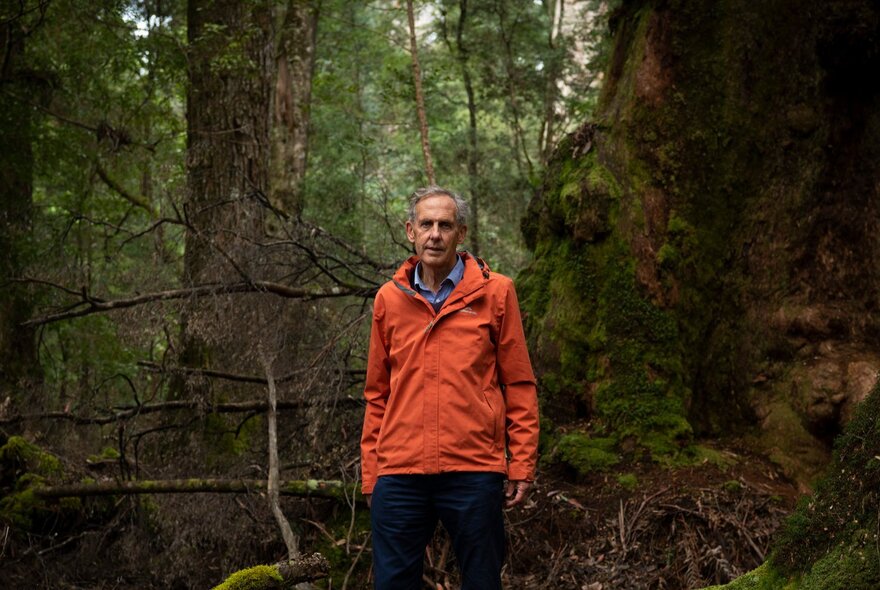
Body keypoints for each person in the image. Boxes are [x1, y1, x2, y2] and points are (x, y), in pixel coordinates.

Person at [360, 186, 540, 590]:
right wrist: (372, 473)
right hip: (400, 472)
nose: (435, 234)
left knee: (481, 581)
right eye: (426, 224)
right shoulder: (389, 299)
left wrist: (522, 463)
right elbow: (376, 394)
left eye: (445, 225)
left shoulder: (496, 293)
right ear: (410, 231)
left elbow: (519, 384)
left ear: (462, 233)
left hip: (474, 468)